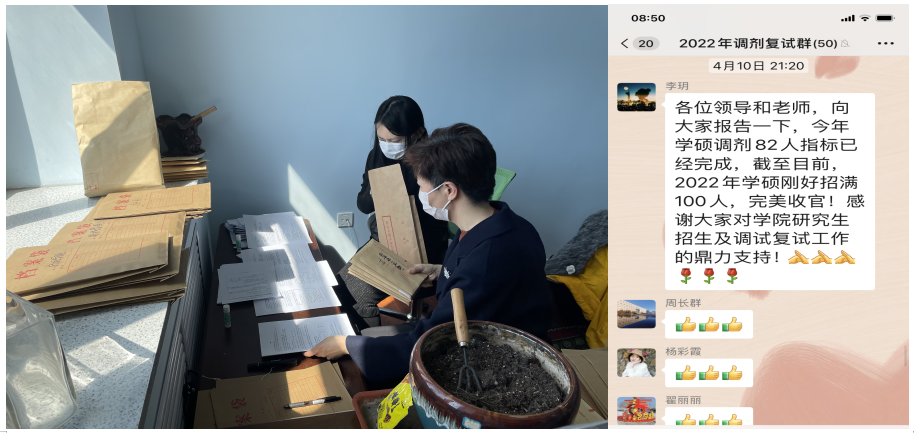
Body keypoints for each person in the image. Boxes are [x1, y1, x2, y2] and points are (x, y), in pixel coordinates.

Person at [306, 123, 556, 388]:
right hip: (469, 329)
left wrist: (346, 345)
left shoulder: (486, 262)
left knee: (353, 364)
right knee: (364, 332)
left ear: (449, 190)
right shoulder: (507, 223)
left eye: (422, 187)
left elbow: (432, 342)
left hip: (494, 362)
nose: (421, 194)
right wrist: (441, 270)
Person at [352, 96, 450, 326]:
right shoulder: (376, 156)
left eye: (394, 140)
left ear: (417, 133)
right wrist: (375, 193)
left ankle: (370, 344)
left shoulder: (432, 163)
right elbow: (363, 205)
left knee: (359, 295)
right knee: (345, 283)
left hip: (422, 248)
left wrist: (402, 191)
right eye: (381, 139)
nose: (387, 145)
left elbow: (437, 214)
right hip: (384, 242)